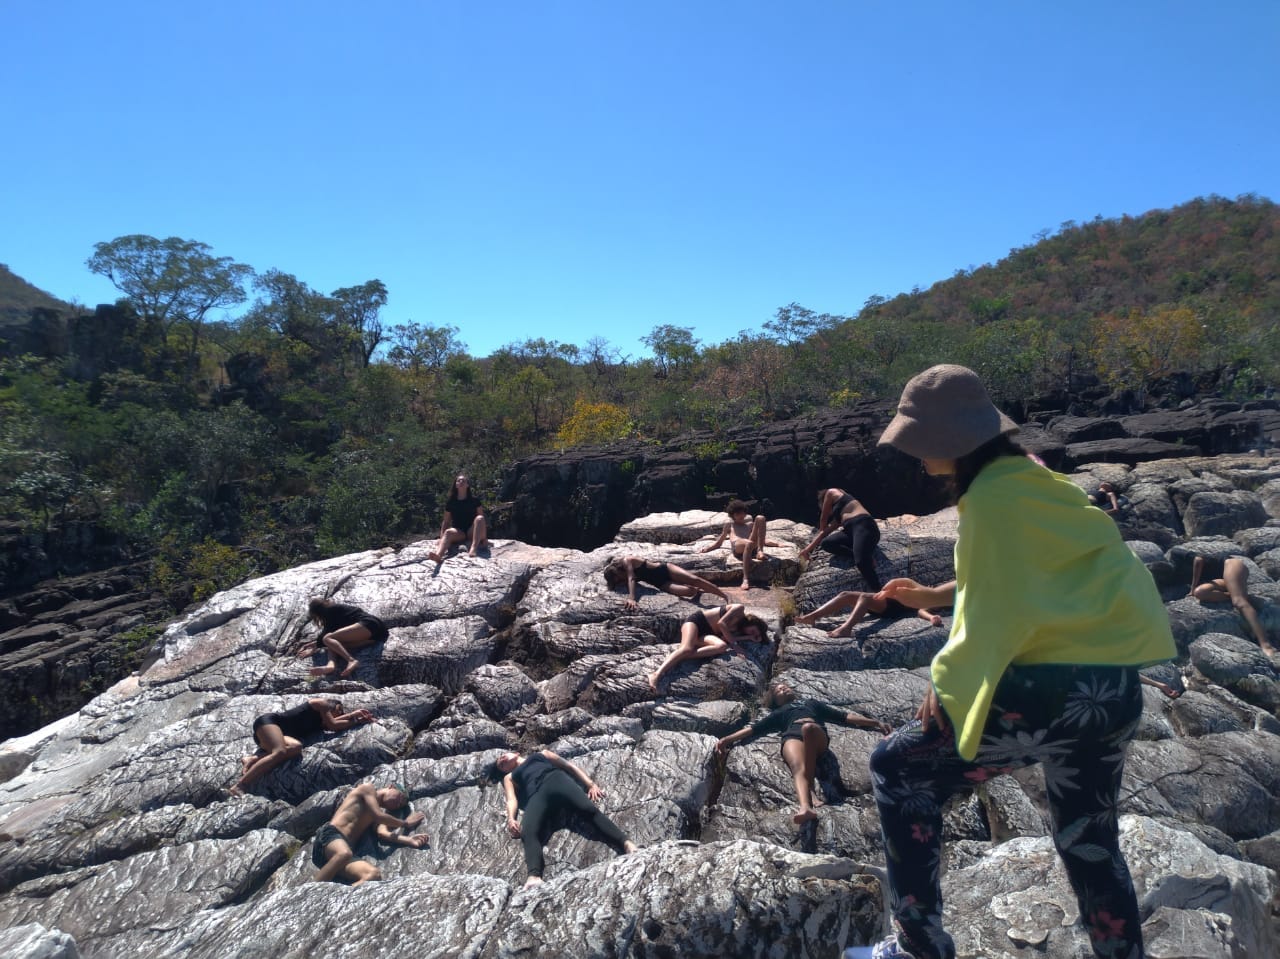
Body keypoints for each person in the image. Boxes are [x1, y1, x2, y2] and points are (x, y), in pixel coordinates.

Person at [843, 365, 1175, 959]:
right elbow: (1022, 577)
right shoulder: (1036, 479)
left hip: (1046, 691)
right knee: (1089, 838)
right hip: (1111, 687)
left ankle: (919, 946)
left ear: (945, 442)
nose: (919, 458)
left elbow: (995, 612)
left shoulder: (989, 500)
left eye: (922, 443)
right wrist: (929, 597)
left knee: (897, 769)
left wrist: (947, 683)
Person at [716, 681, 890, 824]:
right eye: (778, 690)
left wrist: (875, 722)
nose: (783, 688)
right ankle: (805, 807)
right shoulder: (778, 713)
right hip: (791, 735)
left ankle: (812, 790)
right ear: (775, 700)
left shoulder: (811, 703)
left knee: (808, 729)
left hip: (815, 732)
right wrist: (726, 739)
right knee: (797, 767)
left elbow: (844, 716)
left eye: (785, 686)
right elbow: (753, 729)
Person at [491, 749, 638, 887]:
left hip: (556, 779)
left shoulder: (542, 754)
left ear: (516, 753)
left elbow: (569, 767)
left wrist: (590, 785)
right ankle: (534, 877)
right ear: (504, 770)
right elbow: (511, 800)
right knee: (528, 831)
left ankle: (627, 844)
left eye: (502, 756)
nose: (501, 759)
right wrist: (511, 819)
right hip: (537, 795)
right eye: (500, 764)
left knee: (589, 810)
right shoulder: (509, 777)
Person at [230, 698, 375, 796]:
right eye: (340, 711)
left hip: (277, 736)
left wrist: (355, 716)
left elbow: (332, 723)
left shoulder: (321, 720)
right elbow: (334, 724)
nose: (341, 714)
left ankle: (253, 758)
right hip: (269, 724)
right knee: (280, 751)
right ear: (335, 706)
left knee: (296, 747)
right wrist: (355, 720)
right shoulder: (321, 703)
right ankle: (241, 785)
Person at [312, 782, 428, 883]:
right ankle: (309, 894)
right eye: (400, 797)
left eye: (400, 805)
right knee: (344, 853)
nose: (398, 803)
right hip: (330, 838)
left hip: (339, 856)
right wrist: (404, 823)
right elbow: (378, 816)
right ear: (391, 786)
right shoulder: (367, 788)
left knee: (373, 875)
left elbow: (383, 833)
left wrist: (409, 840)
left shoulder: (379, 815)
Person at [647, 603, 769, 692]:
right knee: (687, 648)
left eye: (753, 635)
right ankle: (656, 674)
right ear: (753, 622)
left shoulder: (739, 631)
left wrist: (747, 638)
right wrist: (736, 646)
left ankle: (680, 655)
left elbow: (725, 639)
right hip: (696, 623)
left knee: (721, 646)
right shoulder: (739, 609)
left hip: (706, 634)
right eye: (752, 631)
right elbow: (721, 623)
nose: (750, 634)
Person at [1189, 554, 1276, 657]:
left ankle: (1265, 644)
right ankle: (1238, 594)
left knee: (1238, 602)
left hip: (1230, 565)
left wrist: (1192, 587)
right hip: (1221, 579)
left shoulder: (1178, 555)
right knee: (1200, 593)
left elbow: (1198, 559)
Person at [798, 488, 883, 591]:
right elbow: (824, 534)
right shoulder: (839, 516)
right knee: (827, 543)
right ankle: (857, 554)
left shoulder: (832, 492)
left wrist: (822, 525)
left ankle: (879, 593)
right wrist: (807, 550)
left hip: (863, 525)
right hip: (851, 531)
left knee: (861, 562)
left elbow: (823, 519)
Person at [701, 499, 784, 589]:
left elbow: (762, 539)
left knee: (760, 518)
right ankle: (745, 579)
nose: (741, 516)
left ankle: (760, 552)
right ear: (732, 515)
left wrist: (777, 544)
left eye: (742, 513)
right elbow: (719, 543)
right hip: (738, 547)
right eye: (737, 514)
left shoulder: (749, 525)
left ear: (745, 513)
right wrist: (708, 549)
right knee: (748, 543)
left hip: (751, 546)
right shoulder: (730, 525)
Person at [795, 589, 944, 637]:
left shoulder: (936, 600)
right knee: (845, 594)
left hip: (894, 607)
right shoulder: (934, 591)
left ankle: (846, 628)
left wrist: (932, 617)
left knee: (865, 598)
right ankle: (811, 617)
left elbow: (921, 610)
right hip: (889, 599)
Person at [305, 597, 390, 678]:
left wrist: (314, 646)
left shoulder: (331, 609)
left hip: (369, 624)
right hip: (377, 636)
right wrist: (314, 645)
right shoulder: (334, 613)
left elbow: (325, 634)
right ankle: (331, 665)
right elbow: (329, 636)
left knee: (328, 639)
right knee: (333, 643)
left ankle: (351, 660)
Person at [603, 556, 731, 609]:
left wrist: (631, 598)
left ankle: (724, 596)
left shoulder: (627, 561)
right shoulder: (623, 577)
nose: (621, 580)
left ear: (616, 571)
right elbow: (628, 580)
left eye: (618, 578)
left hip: (665, 570)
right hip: (661, 583)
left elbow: (631, 577)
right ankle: (693, 588)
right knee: (689, 592)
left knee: (695, 580)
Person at [427, 473, 488, 562]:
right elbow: (446, 522)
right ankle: (438, 555)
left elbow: (482, 520)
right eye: (458, 481)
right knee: (448, 532)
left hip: (473, 530)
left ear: (467, 485)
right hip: (459, 532)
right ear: (456, 485)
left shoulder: (475, 500)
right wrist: (441, 537)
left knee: (479, 518)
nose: (461, 482)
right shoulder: (451, 502)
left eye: (463, 481)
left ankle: (473, 548)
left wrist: (485, 537)